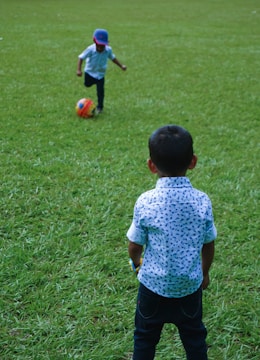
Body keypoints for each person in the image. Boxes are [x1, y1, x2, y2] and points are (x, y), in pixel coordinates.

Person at [127, 125, 217, 360]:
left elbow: (134, 245)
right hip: (189, 288)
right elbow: (209, 244)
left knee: (144, 339)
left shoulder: (146, 201)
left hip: (152, 287)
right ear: (193, 161)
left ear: (151, 165)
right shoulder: (202, 201)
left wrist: (137, 264)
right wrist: (204, 273)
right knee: (195, 339)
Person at [76, 28, 127, 114]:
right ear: (94, 41)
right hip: (90, 72)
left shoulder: (108, 50)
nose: (100, 48)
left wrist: (121, 66)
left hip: (100, 74)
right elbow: (81, 58)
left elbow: (113, 58)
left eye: (102, 46)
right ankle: (93, 82)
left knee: (100, 91)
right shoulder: (90, 49)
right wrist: (78, 70)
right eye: (98, 45)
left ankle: (100, 107)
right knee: (87, 84)